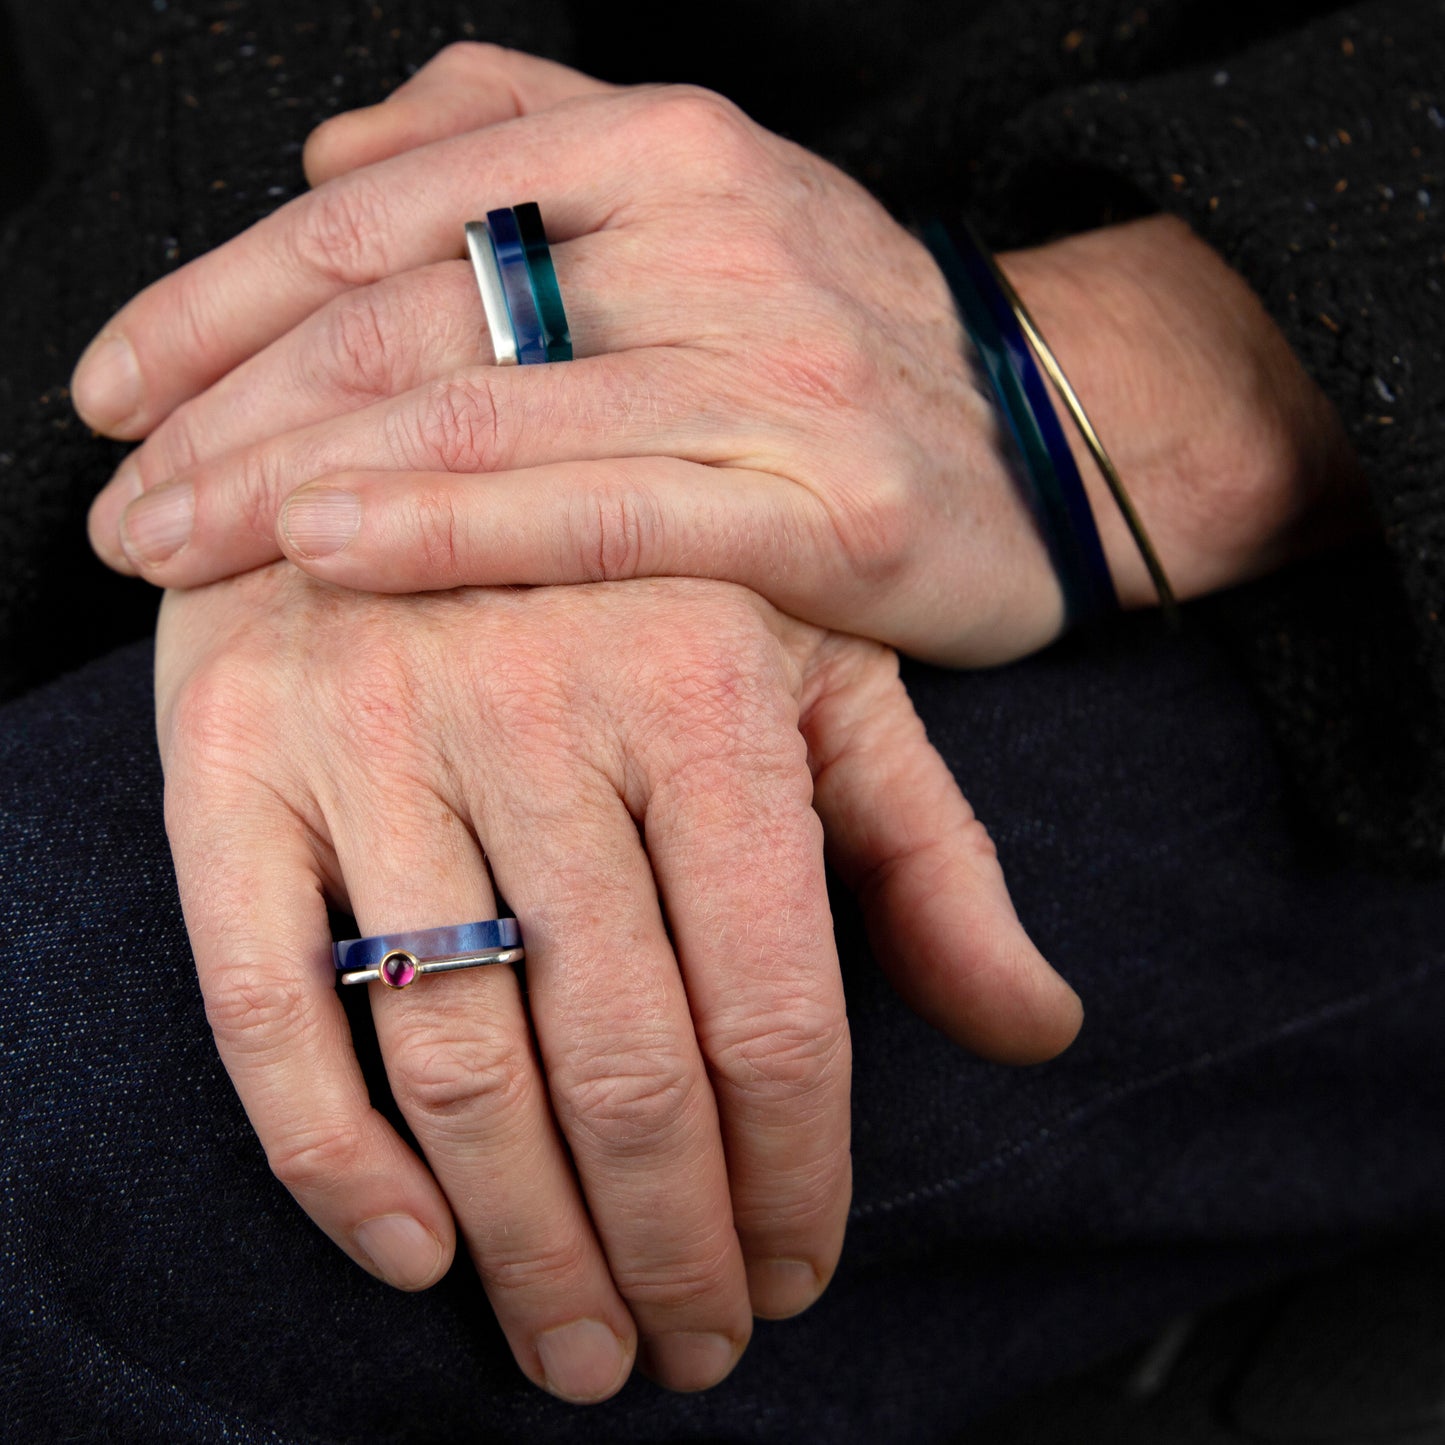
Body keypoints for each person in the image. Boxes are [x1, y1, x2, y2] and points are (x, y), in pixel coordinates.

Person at [3, 2, 1443, 1440]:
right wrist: (364, 317)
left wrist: (1130, 369)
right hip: (463, 211)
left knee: (81, 1085)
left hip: (1330, 465)